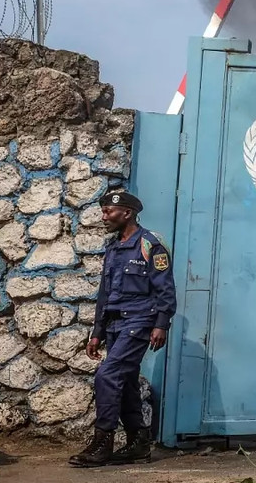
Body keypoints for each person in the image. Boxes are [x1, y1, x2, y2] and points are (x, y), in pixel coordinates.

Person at [69, 191, 177, 468]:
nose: (104, 217)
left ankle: (102, 442)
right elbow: (105, 294)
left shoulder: (150, 244)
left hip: (140, 320)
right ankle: (139, 442)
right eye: (104, 212)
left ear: (127, 213)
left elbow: (165, 288)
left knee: (107, 375)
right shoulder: (114, 247)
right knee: (126, 381)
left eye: (109, 212)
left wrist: (161, 324)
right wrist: (97, 332)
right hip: (116, 323)